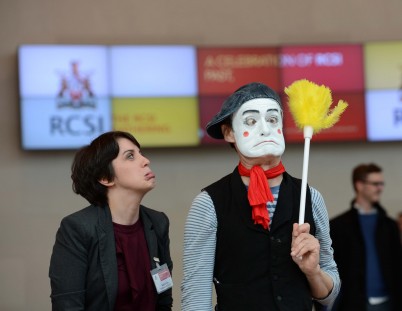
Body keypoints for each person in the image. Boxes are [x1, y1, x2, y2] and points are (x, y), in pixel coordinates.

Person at [181, 82, 340, 311]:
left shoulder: (310, 197)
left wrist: (312, 271)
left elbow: (328, 296)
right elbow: (196, 295)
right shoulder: (209, 204)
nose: (265, 129)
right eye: (251, 121)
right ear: (229, 133)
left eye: (273, 119)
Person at [49, 131, 173, 311]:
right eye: (130, 156)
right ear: (105, 178)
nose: (145, 160)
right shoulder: (78, 228)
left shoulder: (158, 222)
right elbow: (67, 306)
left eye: (140, 153)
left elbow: (164, 300)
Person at [330, 163, 402, 311]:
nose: (380, 188)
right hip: (353, 304)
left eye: (381, 184)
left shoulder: (389, 226)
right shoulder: (339, 226)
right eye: (375, 184)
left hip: (389, 303)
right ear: (359, 185)